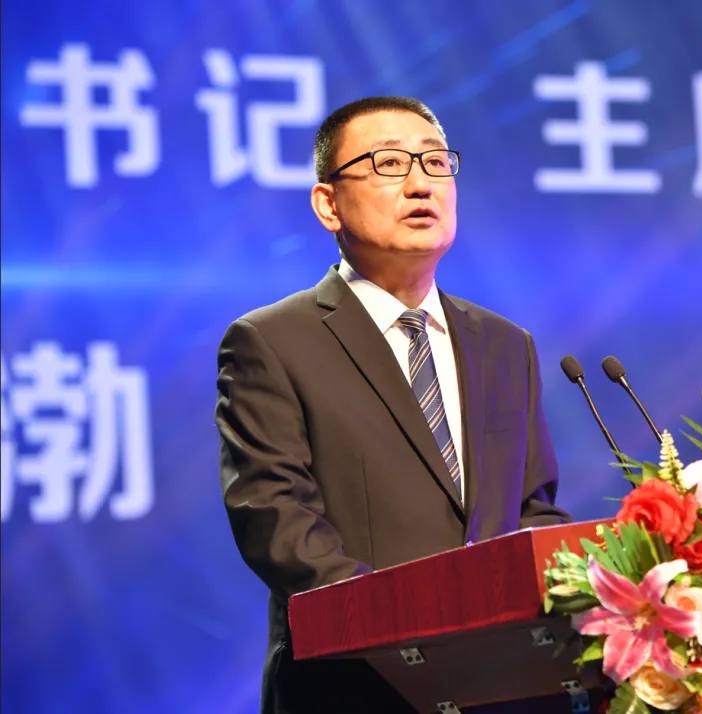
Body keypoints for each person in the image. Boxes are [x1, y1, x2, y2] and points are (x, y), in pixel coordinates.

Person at [214, 96, 571, 714]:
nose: (419, 184)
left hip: (507, 686)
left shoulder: (505, 344)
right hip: (355, 688)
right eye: (387, 164)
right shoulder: (271, 342)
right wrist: (415, 636)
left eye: (435, 162)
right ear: (328, 204)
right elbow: (277, 521)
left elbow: (533, 510)